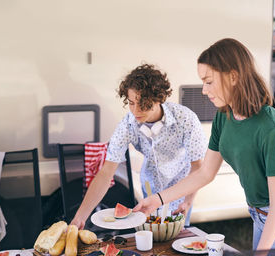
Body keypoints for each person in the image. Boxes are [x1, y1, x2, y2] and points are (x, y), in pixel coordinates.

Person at [133, 39, 275, 256]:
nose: (203, 90)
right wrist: (157, 199)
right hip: (262, 218)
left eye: (208, 81)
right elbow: (205, 173)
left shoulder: (272, 128)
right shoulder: (224, 115)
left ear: (233, 76)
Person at [71, 63, 207, 229]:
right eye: (131, 103)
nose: (135, 110)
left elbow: (198, 167)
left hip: (180, 189)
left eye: (143, 103)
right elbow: (106, 173)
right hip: (149, 190)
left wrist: (188, 201)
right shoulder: (127, 125)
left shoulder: (185, 119)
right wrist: (79, 218)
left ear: (159, 98)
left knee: (177, 241)